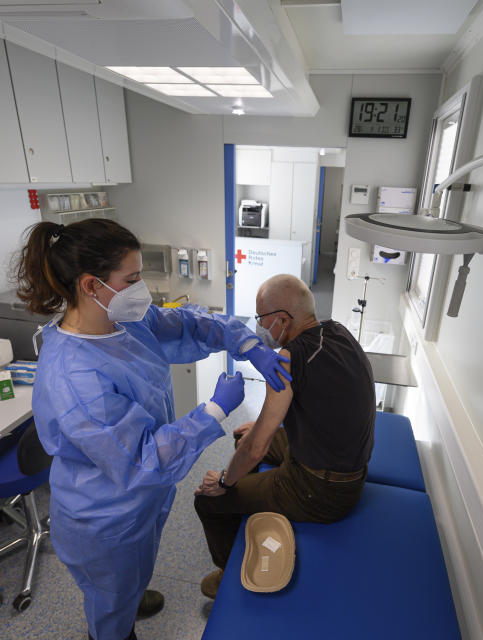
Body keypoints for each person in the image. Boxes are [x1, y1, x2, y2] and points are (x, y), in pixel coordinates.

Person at [15, 219, 290, 640]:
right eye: (133, 278)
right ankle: (114, 624)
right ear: (92, 286)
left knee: (133, 571)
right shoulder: (75, 376)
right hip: (105, 516)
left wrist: (246, 343)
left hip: (137, 504)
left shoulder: (124, 322)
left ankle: (130, 593)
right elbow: (143, 459)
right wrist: (214, 411)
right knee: (111, 606)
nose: (141, 287)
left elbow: (188, 324)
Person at [193, 274, 375, 598]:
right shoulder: (338, 332)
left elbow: (255, 450)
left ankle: (228, 576)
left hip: (319, 490)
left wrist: (222, 481)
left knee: (208, 500)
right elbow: (320, 402)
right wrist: (267, 428)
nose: (260, 326)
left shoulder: (289, 359)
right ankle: (245, 510)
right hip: (341, 467)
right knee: (242, 437)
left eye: (262, 319)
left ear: (281, 319)